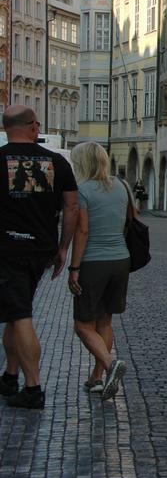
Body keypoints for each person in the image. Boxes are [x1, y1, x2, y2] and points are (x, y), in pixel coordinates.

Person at [0, 106, 79, 409]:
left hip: (7, 249)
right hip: (40, 249)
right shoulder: (57, 162)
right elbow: (71, 208)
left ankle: (32, 388)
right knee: (14, 312)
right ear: (33, 127)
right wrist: (62, 248)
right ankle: (9, 376)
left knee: (20, 315)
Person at [67, 142, 130, 400]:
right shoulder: (121, 186)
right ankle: (96, 378)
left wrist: (74, 267)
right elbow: (129, 220)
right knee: (105, 320)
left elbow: (82, 231)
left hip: (94, 262)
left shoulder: (82, 190)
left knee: (83, 325)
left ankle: (109, 364)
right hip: (120, 259)